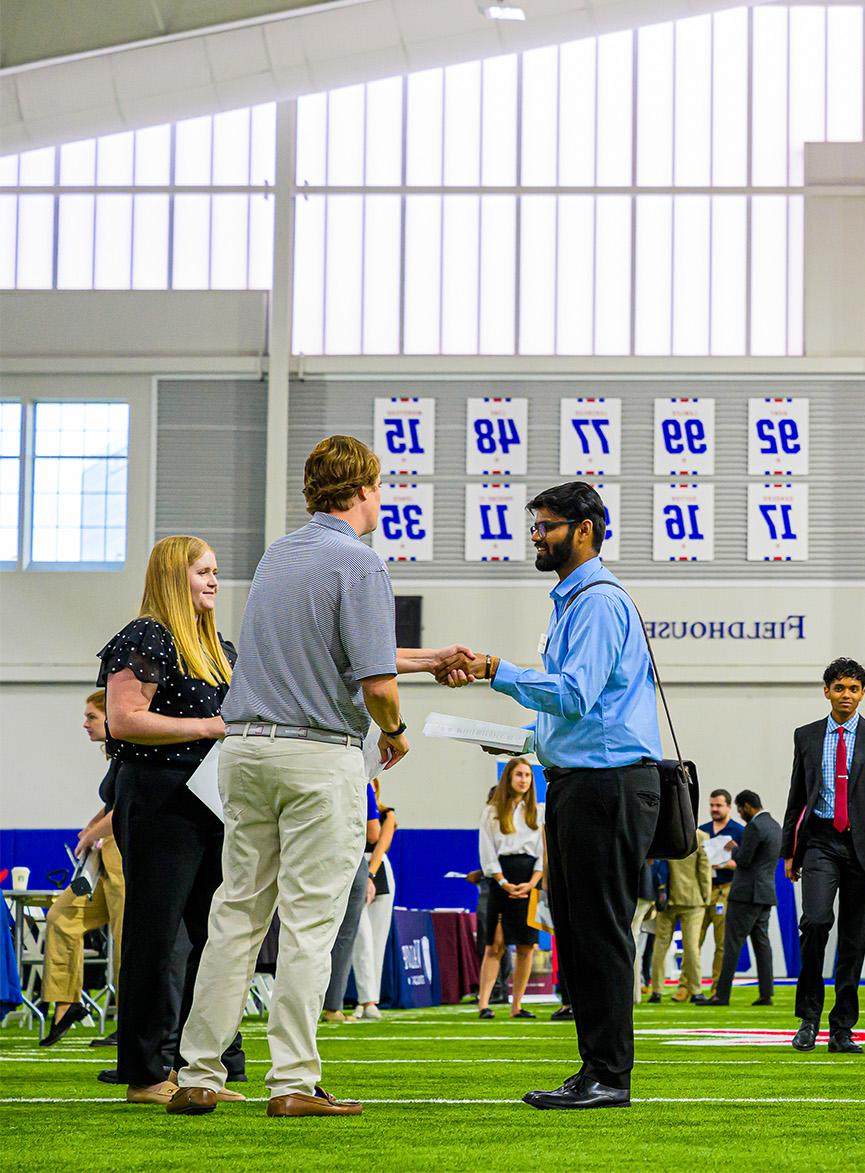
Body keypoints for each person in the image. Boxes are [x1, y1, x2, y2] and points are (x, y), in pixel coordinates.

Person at [169, 439, 466, 1118]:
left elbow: (339, 648)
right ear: (363, 488)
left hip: (244, 749)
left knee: (235, 914)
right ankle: (293, 1080)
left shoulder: (281, 554)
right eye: (381, 484)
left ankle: (198, 1072)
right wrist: (392, 730)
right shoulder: (361, 563)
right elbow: (375, 681)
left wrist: (431, 658)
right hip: (316, 755)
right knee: (309, 921)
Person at [450, 480, 665, 1110]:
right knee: (575, 931)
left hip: (609, 786)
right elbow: (577, 715)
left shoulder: (597, 602)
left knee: (597, 932)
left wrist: (497, 670)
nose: (536, 536)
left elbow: (574, 694)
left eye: (546, 526)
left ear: (586, 529)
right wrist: (518, 738)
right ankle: (594, 1068)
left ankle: (610, 1077)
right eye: (535, 525)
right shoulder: (572, 603)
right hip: (582, 781)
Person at [101, 536, 246, 1105]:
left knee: (217, 937)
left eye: (215, 571)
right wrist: (210, 728)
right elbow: (124, 720)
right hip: (160, 798)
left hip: (214, 798)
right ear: (172, 576)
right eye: (202, 571)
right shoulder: (145, 637)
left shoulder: (220, 649)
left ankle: (205, 1067)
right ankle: (144, 1071)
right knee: (157, 936)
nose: (213, 580)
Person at [781, 657, 865, 1054]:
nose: (846, 695)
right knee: (815, 922)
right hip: (820, 842)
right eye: (839, 688)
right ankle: (808, 1018)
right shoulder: (806, 736)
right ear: (827, 692)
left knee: (853, 940)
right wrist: (789, 850)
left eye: (854, 689)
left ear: (862, 694)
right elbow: (796, 796)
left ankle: (842, 1028)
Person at [39, 690, 126, 1048]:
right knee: (62, 916)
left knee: (127, 939)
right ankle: (66, 1005)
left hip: (126, 854)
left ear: (110, 717)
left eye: (91, 717)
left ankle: (133, 1021)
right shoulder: (115, 754)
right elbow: (112, 803)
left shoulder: (132, 749)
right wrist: (91, 828)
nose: (85, 723)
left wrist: (92, 834)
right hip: (106, 857)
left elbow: (128, 809)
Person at [698, 790, 782, 1007]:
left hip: (746, 894)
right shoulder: (774, 825)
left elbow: (744, 860)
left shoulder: (754, 826)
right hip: (765, 892)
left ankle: (721, 994)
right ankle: (766, 994)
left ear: (746, 806)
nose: (740, 813)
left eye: (739, 809)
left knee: (732, 944)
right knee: (762, 945)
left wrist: (734, 849)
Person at [476, 758, 545, 1020]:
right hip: (501, 877)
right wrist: (503, 881)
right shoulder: (492, 812)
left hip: (530, 878)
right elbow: (487, 850)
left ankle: (517, 1005)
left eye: (527, 775)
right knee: (496, 943)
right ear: (509, 778)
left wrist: (532, 881)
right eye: (519, 774)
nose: (524, 780)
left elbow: (541, 852)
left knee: (527, 945)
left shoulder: (537, 811)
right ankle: (484, 1003)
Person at [320, 775, 379, 1026]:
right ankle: (332, 1007)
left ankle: (300, 1007)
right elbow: (373, 832)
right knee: (344, 937)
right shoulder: (361, 778)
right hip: (349, 856)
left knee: (305, 931)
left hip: (311, 851)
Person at [352, 779, 396, 1020]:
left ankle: (370, 1000)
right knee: (362, 939)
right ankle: (364, 998)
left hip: (378, 871)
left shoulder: (387, 814)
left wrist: (370, 874)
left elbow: (380, 846)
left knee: (377, 941)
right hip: (355, 867)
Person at [647, 838, 711, 1003]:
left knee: (660, 945)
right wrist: (706, 896)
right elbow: (704, 868)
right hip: (692, 898)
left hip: (666, 898)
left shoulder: (664, 832)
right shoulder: (700, 836)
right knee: (691, 947)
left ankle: (656, 991)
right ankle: (696, 990)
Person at [698, 790, 744, 994]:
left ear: (729, 807)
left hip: (725, 889)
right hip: (702, 890)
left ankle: (718, 986)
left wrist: (728, 864)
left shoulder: (738, 831)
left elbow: (746, 863)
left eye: (719, 805)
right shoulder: (702, 830)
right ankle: (689, 986)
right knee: (693, 942)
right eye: (712, 805)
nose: (714, 809)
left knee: (722, 943)